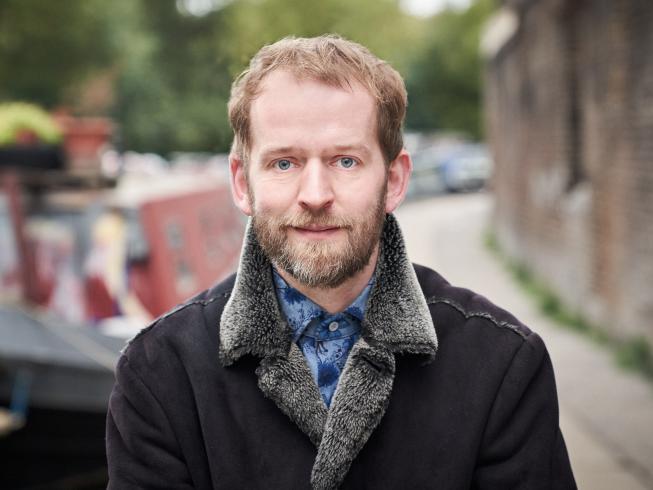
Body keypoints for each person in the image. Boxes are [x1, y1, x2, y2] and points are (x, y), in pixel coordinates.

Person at [106, 35, 576, 489]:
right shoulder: (158, 372)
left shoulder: (503, 365)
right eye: (284, 163)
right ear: (242, 183)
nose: (315, 195)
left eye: (345, 161)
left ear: (393, 180)